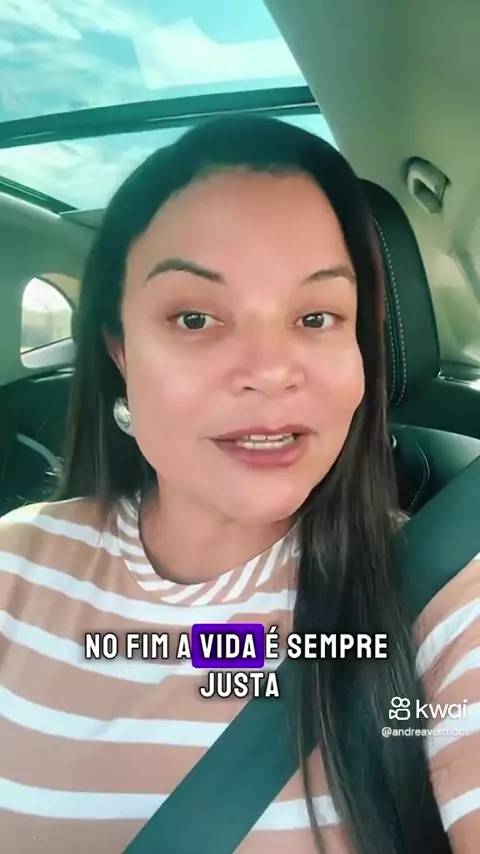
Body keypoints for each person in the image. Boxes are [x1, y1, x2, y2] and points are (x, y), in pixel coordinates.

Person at [0, 116, 478, 854]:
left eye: (316, 316)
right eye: (194, 317)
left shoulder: (437, 600)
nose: (270, 370)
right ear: (121, 352)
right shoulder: (16, 564)